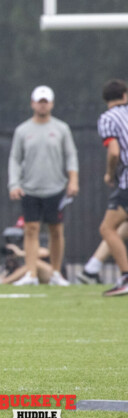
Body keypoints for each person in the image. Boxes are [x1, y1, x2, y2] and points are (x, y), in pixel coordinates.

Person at [8, 85, 78, 287]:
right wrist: (14, 184)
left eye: (45, 102)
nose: (42, 105)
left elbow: (71, 156)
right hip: (30, 188)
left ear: (52, 104)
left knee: (56, 230)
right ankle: (30, 274)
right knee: (31, 229)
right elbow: (14, 159)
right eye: (39, 102)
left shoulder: (61, 129)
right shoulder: (23, 130)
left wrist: (73, 180)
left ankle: (56, 273)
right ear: (32, 103)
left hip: (55, 188)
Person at [96, 79, 128, 296]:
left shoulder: (107, 119)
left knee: (107, 229)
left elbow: (114, 151)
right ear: (125, 95)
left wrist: (109, 172)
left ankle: (126, 276)